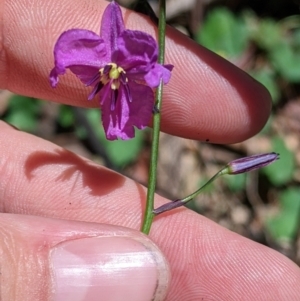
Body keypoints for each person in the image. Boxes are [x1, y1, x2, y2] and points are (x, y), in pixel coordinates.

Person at [0, 0, 299, 300]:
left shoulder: (128, 66)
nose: (112, 79)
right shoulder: (108, 63)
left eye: (115, 74)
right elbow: (72, 60)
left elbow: (152, 72)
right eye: (110, 76)